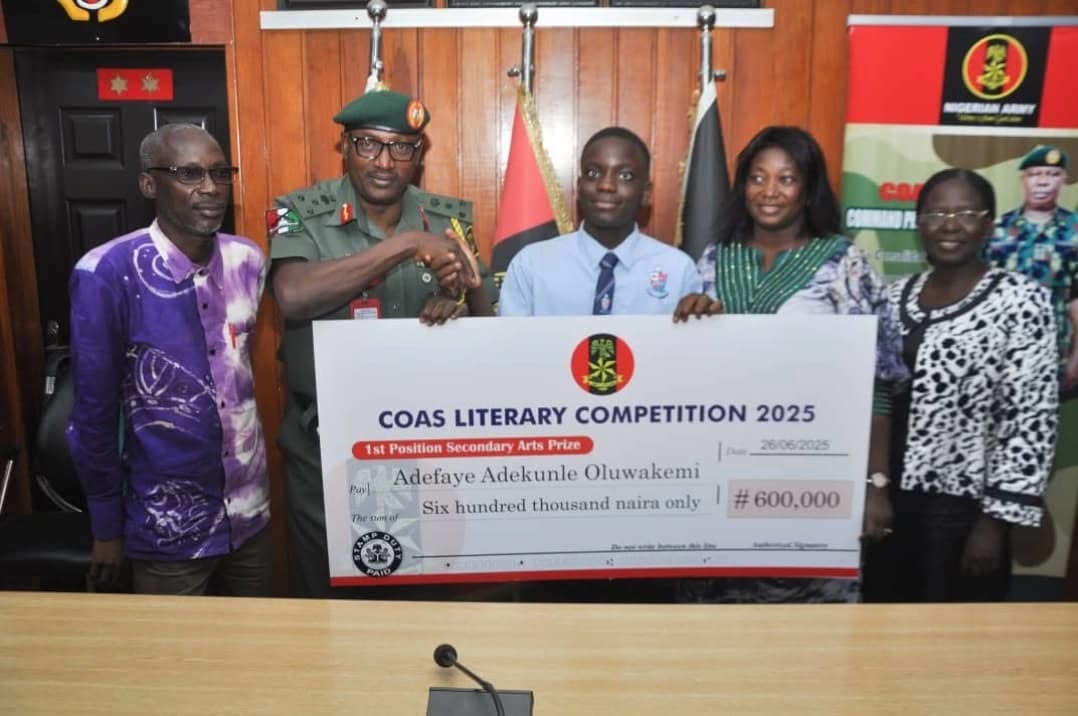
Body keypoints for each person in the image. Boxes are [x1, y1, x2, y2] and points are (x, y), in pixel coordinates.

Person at [269, 89, 494, 598]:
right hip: (325, 444)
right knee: (331, 593)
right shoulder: (295, 211)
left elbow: (486, 319)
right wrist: (407, 245)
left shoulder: (449, 218)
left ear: (418, 155)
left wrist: (461, 304)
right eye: (368, 144)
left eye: (401, 148)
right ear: (345, 147)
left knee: (421, 591)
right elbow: (293, 296)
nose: (385, 163)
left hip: (424, 441)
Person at [673, 125, 908, 603]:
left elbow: (877, 384)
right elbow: (690, 373)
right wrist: (690, 319)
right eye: (757, 178)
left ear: (808, 188)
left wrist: (876, 486)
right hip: (721, 475)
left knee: (808, 617)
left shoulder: (845, 263)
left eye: (786, 178)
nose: (770, 191)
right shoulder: (715, 258)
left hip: (815, 477)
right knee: (715, 618)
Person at [66, 124, 272, 596]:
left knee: (260, 641)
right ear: (148, 183)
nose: (211, 188)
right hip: (167, 531)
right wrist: (106, 528)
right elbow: (93, 413)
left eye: (220, 173)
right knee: (171, 646)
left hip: (249, 516)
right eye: (189, 174)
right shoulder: (107, 272)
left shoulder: (247, 261)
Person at [862, 168, 1058, 602]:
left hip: (967, 513)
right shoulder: (893, 298)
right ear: (919, 224)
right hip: (889, 502)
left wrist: (994, 524)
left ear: (988, 225)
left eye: (966, 214)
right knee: (882, 621)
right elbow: (876, 400)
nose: (949, 225)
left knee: (956, 631)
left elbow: (1030, 421)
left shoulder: (1021, 301)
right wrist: (875, 487)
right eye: (936, 214)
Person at [498, 126, 701, 316]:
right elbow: (509, 340)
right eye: (593, 173)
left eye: (625, 176)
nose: (606, 185)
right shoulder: (531, 266)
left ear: (646, 193)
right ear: (579, 186)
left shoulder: (678, 270)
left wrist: (707, 323)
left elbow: (695, 340)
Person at [986, 145, 1078, 393]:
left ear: (1063, 180)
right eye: (1035, 174)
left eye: (1052, 174)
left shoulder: (1074, 231)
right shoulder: (997, 230)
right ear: (1023, 180)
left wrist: (1076, 359)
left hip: (1052, 356)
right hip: (998, 354)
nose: (1043, 182)